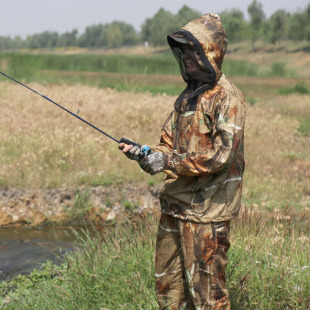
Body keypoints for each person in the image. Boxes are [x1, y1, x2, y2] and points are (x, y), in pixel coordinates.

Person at [119, 13, 245, 310]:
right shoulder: (186, 97)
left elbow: (222, 155)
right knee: (168, 292)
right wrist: (146, 155)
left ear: (210, 52)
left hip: (207, 216)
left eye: (192, 49)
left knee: (208, 298)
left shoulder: (228, 98)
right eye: (183, 50)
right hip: (175, 209)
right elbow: (166, 144)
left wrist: (169, 161)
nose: (186, 56)